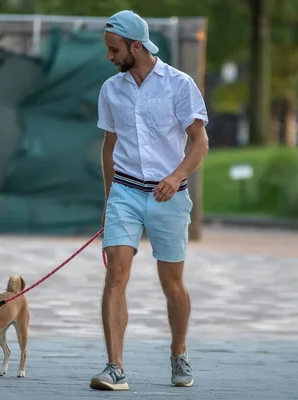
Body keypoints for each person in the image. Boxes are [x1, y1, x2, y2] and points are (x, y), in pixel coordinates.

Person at [89, 9, 209, 391]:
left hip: (168, 195)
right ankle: (115, 367)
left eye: (114, 49)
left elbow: (200, 141)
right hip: (124, 191)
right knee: (115, 276)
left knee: (172, 283)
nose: (109, 57)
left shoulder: (179, 84)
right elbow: (109, 148)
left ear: (135, 46)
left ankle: (178, 352)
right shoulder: (111, 90)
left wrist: (176, 178)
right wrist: (110, 202)